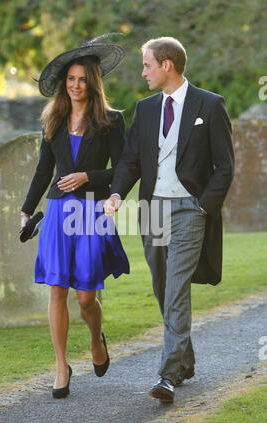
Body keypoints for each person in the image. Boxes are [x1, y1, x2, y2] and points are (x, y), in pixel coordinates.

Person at [104, 37, 234, 403]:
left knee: (177, 287)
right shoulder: (145, 110)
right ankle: (185, 361)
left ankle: (167, 375)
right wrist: (117, 193)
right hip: (153, 209)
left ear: (167, 65)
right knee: (163, 286)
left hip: (189, 210)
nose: (143, 72)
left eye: (147, 65)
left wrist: (203, 207)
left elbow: (225, 166)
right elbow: (130, 160)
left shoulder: (210, 105)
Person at [20, 36, 129, 399]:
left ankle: (96, 339)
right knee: (57, 289)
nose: (76, 85)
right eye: (71, 79)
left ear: (93, 82)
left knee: (85, 297)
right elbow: (42, 171)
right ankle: (61, 365)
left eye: (83, 79)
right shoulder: (52, 119)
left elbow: (125, 169)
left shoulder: (111, 121)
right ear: (64, 83)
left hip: (93, 211)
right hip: (57, 212)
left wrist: (88, 177)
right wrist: (25, 209)